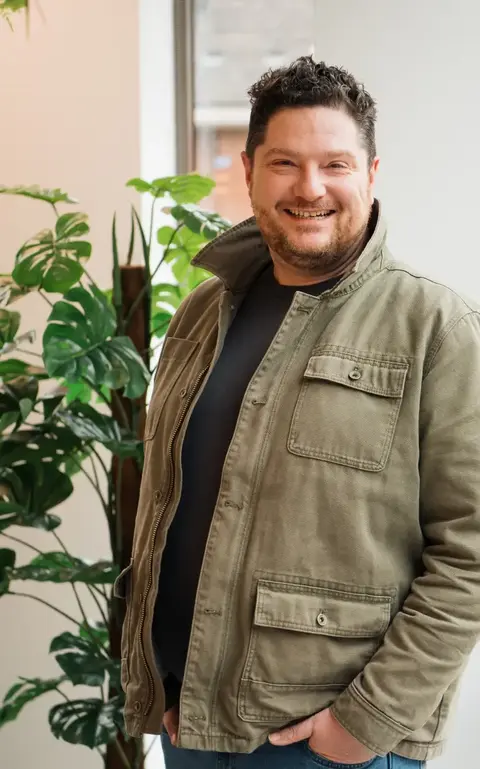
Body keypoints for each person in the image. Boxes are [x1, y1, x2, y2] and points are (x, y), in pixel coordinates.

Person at [114, 57, 480, 768]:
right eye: (285, 163)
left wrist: (365, 720)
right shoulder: (202, 312)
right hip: (188, 723)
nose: (310, 188)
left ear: (370, 175)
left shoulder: (436, 328)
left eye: (334, 164)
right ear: (251, 171)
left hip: (325, 741)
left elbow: (469, 551)